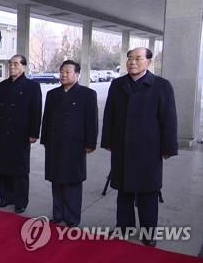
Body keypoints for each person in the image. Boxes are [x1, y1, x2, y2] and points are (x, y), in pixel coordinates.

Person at [101, 47, 178, 247]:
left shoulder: (161, 85)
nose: (132, 62)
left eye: (137, 58)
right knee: (124, 191)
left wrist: (168, 147)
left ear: (148, 62)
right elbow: (109, 115)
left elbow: (169, 119)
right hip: (122, 147)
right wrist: (108, 141)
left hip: (149, 149)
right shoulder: (118, 84)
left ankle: (148, 232)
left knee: (148, 192)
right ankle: (123, 226)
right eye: (129, 59)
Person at [40, 60, 98, 227]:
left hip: (75, 145)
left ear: (77, 74)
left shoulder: (87, 94)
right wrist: (45, 139)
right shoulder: (52, 94)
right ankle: (58, 214)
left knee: (72, 181)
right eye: (62, 72)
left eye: (67, 72)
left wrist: (90, 143)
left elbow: (91, 121)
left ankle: (72, 217)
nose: (63, 75)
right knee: (56, 180)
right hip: (54, 144)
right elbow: (47, 119)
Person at [0, 54, 42, 214]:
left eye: (16, 64)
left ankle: (20, 202)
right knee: (3, 167)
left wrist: (33, 133)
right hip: (3, 132)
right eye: (11, 64)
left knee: (19, 169)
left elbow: (36, 111)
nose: (12, 67)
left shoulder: (32, 86)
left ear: (24, 67)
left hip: (21, 133)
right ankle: (5, 198)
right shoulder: (3, 85)